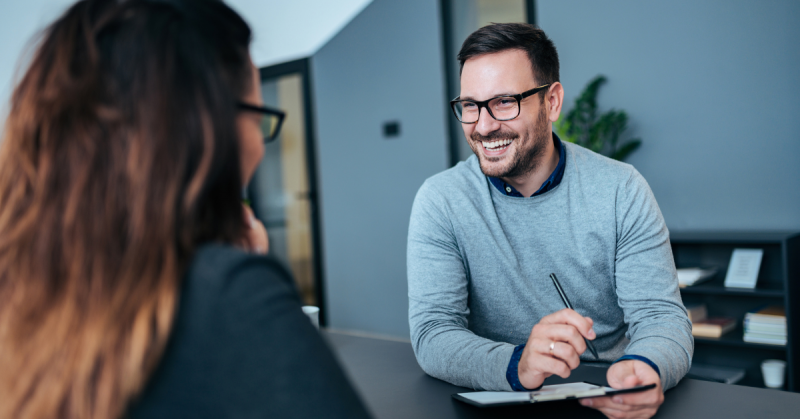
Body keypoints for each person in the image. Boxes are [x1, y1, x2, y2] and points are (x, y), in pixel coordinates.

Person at [0, 1, 371, 418]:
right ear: (204, 130)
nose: (258, 147)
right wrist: (240, 281)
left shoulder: (21, 286)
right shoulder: (229, 294)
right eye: (259, 117)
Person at [407, 23, 692, 419]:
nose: (484, 125)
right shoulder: (441, 200)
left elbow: (662, 318)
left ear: (552, 102)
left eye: (505, 101)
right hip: (498, 400)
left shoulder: (620, 188)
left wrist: (645, 368)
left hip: (608, 400)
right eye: (470, 105)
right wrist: (518, 364)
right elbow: (434, 333)